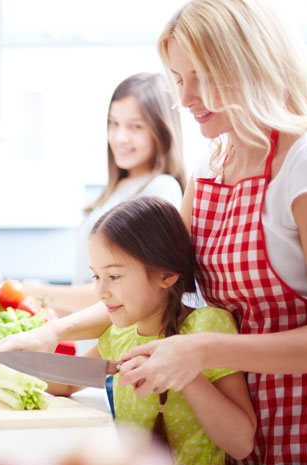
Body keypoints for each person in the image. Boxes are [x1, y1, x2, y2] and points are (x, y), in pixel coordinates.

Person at [0, 0, 307, 465]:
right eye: (177, 78)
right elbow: (151, 284)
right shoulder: (215, 166)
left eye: (200, 78)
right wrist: (49, 334)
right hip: (227, 436)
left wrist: (199, 350)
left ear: (249, 67)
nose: (184, 99)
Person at [45, 197, 259, 465]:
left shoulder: (206, 327)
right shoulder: (120, 336)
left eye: (113, 276)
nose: (100, 291)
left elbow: (241, 443)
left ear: (167, 275)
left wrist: (184, 372)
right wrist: (3, 371)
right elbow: (67, 381)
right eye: (95, 276)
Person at [22, 72, 186, 315]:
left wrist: (40, 292)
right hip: (93, 343)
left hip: (122, 347)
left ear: (162, 130)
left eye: (135, 126)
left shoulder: (161, 189)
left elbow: (125, 289)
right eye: (114, 123)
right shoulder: (114, 191)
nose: (120, 137)